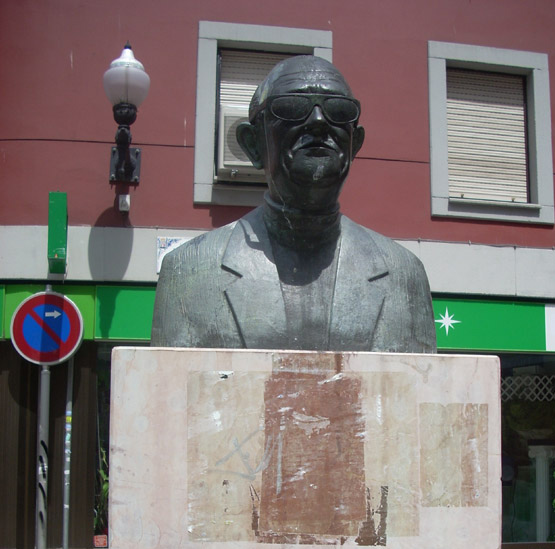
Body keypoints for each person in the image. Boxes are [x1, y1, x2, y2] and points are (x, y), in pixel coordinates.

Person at [151, 55, 436, 353]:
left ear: (355, 144)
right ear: (253, 144)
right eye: (291, 108)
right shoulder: (188, 270)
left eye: (339, 111)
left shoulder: (405, 274)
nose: (318, 121)